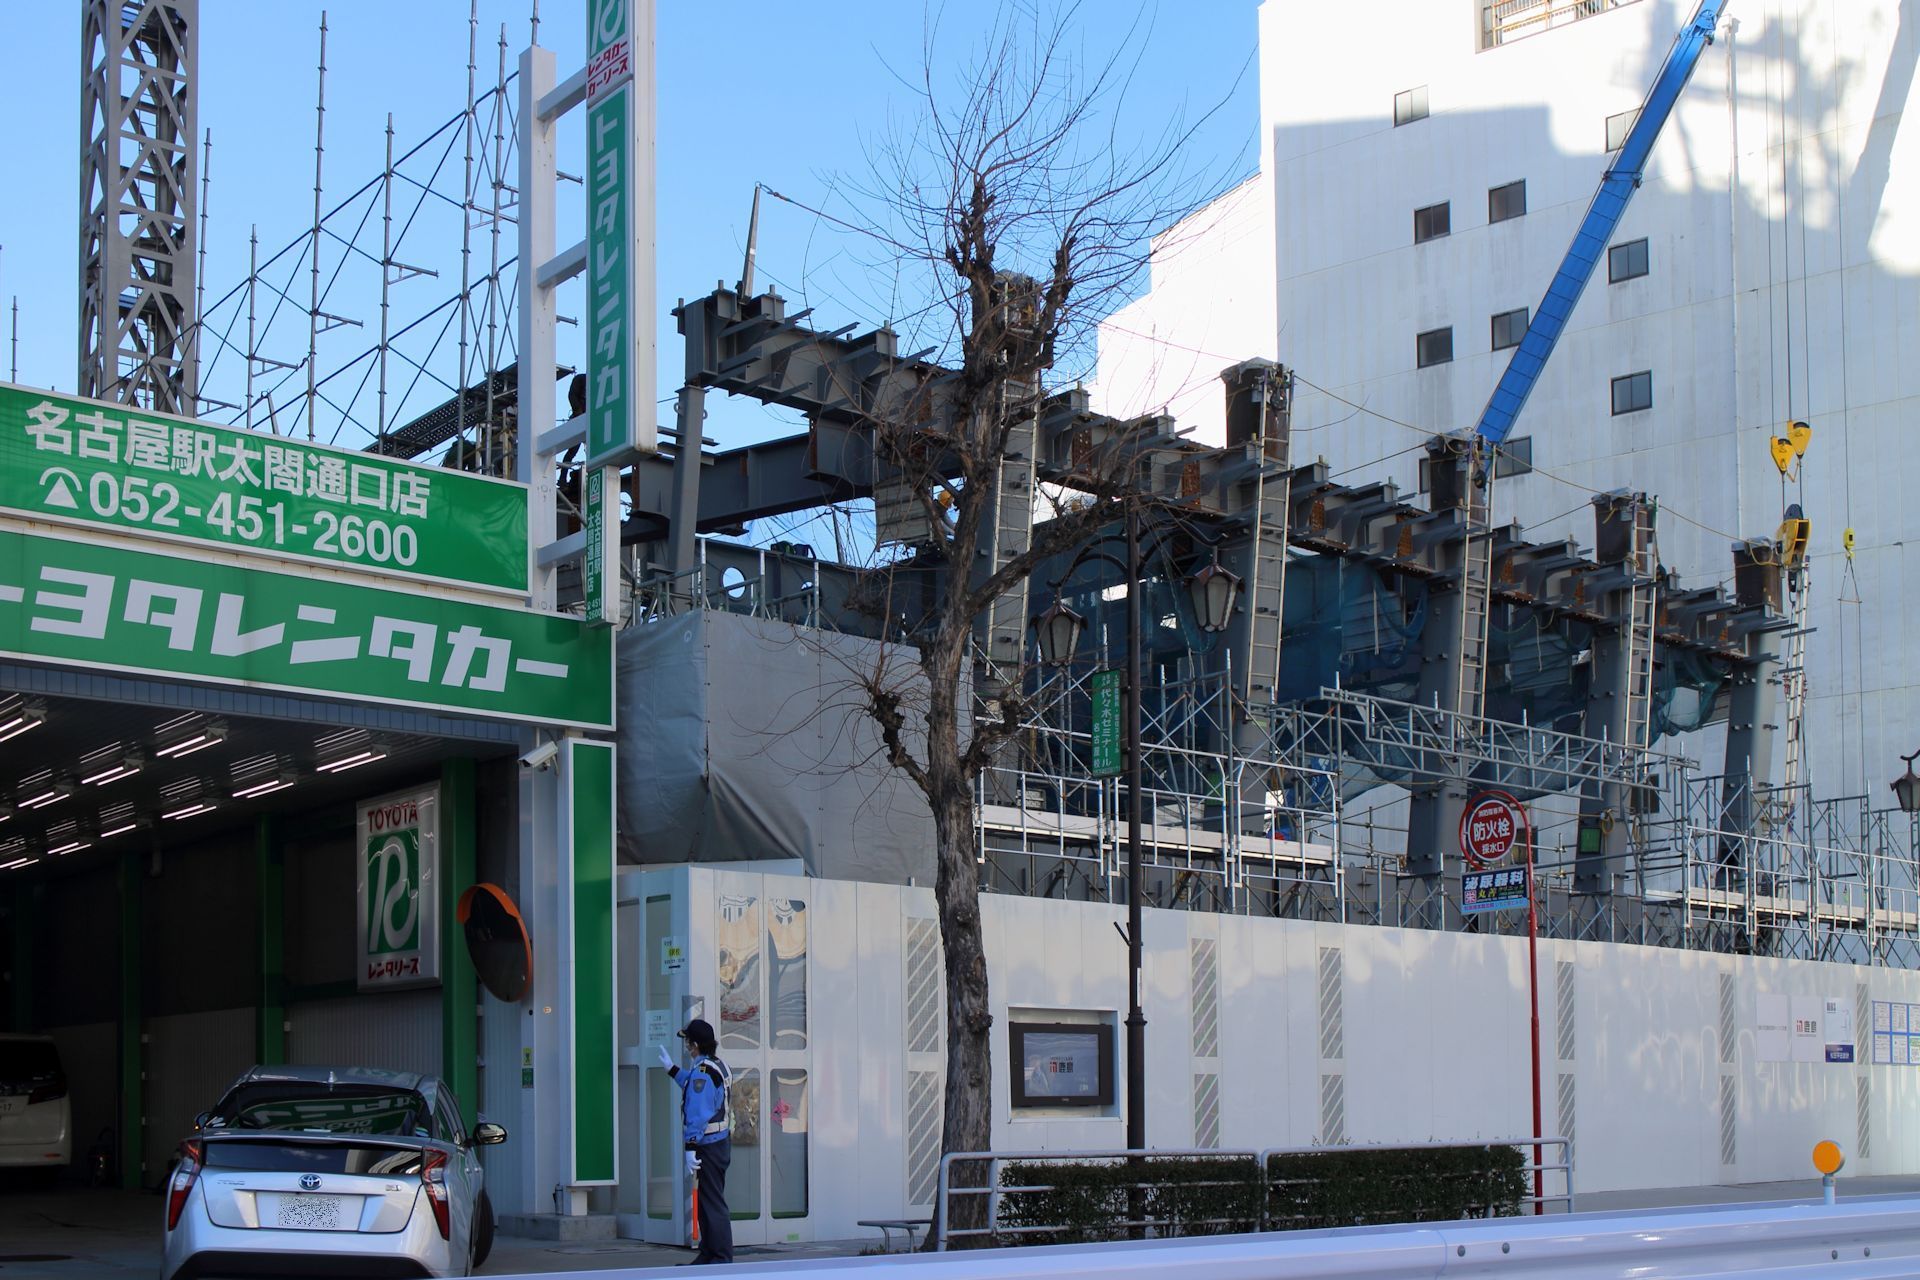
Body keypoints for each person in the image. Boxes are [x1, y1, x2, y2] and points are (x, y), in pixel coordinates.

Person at [656, 1018, 732, 1264]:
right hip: (717, 1143)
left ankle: (719, 1257)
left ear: (696, 1045)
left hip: (707, 1145)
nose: (687, 1046)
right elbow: (693, 1085)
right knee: (707, 1201)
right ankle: (709, 1253)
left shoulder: (703, 1072)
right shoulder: (715, 1065)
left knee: (711, 1202)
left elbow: (697, 1112)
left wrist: (690, 1147)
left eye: (688, 1042)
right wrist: (673, 1070)